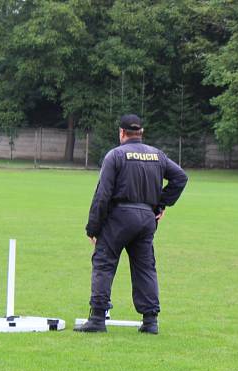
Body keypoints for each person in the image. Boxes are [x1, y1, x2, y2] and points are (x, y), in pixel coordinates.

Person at [75, 113, 188, 334]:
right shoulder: (158, 155)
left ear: (121, 132)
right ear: (141, 133)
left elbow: (103, 194)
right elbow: (180, 177)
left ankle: (97, 318)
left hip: (119, 217)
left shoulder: (115, 156)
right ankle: (150, 321)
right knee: (145, 267)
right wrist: (160, 204)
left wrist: (93, 227)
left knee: (104, 263)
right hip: (146, 219)